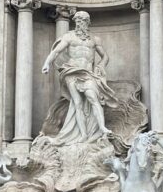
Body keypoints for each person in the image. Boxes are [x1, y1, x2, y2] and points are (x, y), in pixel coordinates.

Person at [41, 10, 116, 144]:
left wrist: (101, 65)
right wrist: (47, 63)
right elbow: (56, 51)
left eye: (83, 21)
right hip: (72, 72)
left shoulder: (94, 39)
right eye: (78, 21)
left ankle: (102, 128)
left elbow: (105, 56)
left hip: (88, 74)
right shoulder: (69, 37)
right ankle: (83, 135)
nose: (80, 23)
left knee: (93, 98)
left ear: (88, 22)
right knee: (78, 103)